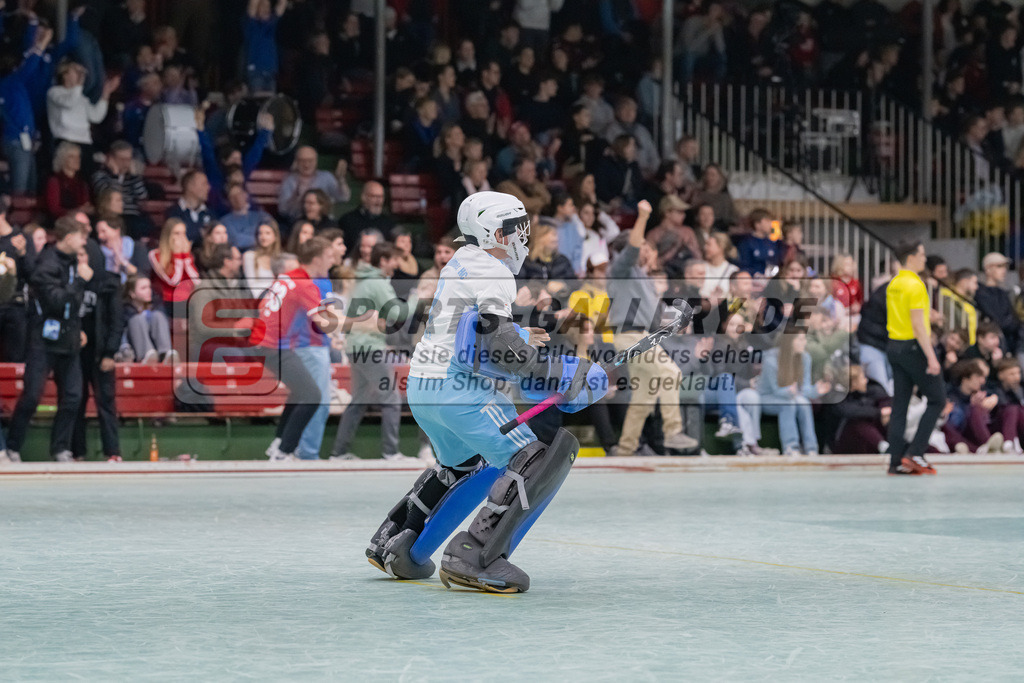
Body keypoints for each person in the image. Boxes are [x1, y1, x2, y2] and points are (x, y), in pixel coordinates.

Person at [365, 191, 613, 594]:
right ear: (495, 233)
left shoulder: (460, 261)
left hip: (424, 386)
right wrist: (559, 373)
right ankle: (475, 556)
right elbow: (497, 345)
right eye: (517, 229)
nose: (523, 237)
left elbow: (468, 329)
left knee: (460, 466)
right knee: (534, 460)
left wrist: (517, 333)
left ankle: (396, 541)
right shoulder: (498, 272)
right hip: (460, 392)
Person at [606, 200, 698, 455]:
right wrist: (644, 216)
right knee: (671, 374)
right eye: (645, 244)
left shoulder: (642, 277)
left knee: (644, 398)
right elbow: (633, 245)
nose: (648, 248)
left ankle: (625, 448)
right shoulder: (622, 268)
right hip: (631, 335)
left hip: (641, 335)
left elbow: (656, 319)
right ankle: (673, 432)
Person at [5, 216, 91, 463]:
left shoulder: (76, 261)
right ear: (67, 237)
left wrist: (79, 328)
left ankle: (60, 448)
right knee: (32, 395)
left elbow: (73, 305)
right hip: (43, 339)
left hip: (69, 338)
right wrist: (81, 281)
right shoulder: (46, 264)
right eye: (80, 236)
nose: (84, 241)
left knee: (73, 395)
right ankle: (12, 446)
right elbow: (57, 301)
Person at [330, 242, 415, 461]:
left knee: (358, 400)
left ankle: (338, 453)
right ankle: (391, 452)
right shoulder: (376, 282)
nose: (396, 265)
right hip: (369, 347)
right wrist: (418, 296)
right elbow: (399, 313)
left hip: (356, 347)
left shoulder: (364, 280)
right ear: (384, 260)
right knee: (391, 397)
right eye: (393, 259)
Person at [258, 237, 338, 461]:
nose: (331, 262)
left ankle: (279, 444)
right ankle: (284, 451)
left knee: (300, 392)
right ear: (317, 258)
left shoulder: (288, 278)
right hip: (273, 346)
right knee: (313, 396)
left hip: (267, 343)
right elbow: (323, 323)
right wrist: (362, 321)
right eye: (328, 256)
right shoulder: (305, 284)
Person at [885, 240, 946, 475]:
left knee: (899, 405)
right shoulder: (916, 285)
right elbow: (918, 326)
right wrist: (931, 357)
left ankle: (895, 461)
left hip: (894, 346)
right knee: (937, 399)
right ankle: (916, 452)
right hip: (913, 347)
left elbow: (904, 313)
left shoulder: (894, 283)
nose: (925, 258)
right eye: (921, 254)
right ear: (911, 257)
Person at [72, 216, 124, 462]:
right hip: (75, 352)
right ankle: (77, 452)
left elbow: (116, 322)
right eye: (78, 256)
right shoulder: (73, 282)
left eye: (84, 255)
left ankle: (112, 452)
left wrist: (109, 353)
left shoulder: (109, 285)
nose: (81, 260)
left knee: (105, 403)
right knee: (75, 403)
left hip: (100, 351)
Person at [758, 330, 829, 456]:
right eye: (801, 339)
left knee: (804, 403)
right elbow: (775, 389)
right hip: (767, 397)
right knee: (788, 404)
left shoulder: (805, 358)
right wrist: (790, 391)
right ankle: (791, 447)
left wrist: (815, 391)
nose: (805, 342)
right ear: (789, 342)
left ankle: (811, 448)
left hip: (791, 396)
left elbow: (804, 389)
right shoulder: (771, 360)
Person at [46, 60, 120, 177]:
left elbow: (96, 117)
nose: (80, 75)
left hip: (85, 142)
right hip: (66, 141)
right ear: (64, 74)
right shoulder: (54, 92)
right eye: (76, 71)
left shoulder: (82, 98)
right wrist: (79, 85)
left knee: (86, 177)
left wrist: (106, 94)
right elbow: (69, 102)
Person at [0, 199, 37, 363]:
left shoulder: (22, 239)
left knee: (16, 357)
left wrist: (22, 254)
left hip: (16, 305)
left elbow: (33, 275)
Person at [92, 141, 150, 239]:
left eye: (128, 159)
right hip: (112, 216)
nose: (126, 163)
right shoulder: (100, 175)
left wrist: (134, 176)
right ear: (112, 159)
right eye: (122, 159)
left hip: (132, 215)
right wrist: (115, 175)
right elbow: (107, 195)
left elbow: (142, 196)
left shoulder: (131, 177)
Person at [943, 359, 1002, 454]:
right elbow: (954, 421)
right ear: (965, 378)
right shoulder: (950, 395)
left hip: (974, 433)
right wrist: (970, 406)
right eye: (978, 377)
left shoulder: (983, 394)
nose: (982, 381)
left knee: (976, 409)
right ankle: (981, 449)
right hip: (957, 434)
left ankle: (988, 445)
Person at [277, 146, 351, 224]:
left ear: (316, 161)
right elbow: (283, 210)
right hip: (298, 222)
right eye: (303, 161)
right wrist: (296, 196)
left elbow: (344, 198)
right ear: (296, 162)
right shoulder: (290, 180)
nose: (307, 164)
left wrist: (341, 180)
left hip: (323, 222)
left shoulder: (326, 177)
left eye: (310, 160)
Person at [148, 217, 200, 315]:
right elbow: (173, 281)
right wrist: (177, 256)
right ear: (168, 235)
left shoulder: (186, 255)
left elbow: (196, 281)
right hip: (167, 301)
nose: (181, 237)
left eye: (183, 233)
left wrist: (186, 256)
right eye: (177, 233)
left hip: (188, 301)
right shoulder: (155, 254)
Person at [975, 252, 1021, 353]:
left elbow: (1015, 320)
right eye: (999, 266)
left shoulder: (1003, 293)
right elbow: (997, 319)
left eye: (1005, 267)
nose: (1004, 270)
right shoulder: (981, 292)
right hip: (993, 346)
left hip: (1010, 345)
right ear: (988, 269)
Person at [123, 274, 172, 363]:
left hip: (156, 348)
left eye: (149, 287)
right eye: (143, 288)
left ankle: (165, 354)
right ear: (132, 293)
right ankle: (147, 355)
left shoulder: (156, 306)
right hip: (134, 350)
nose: (148, 291)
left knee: (158, 315)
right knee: (137, 319)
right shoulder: (125, 310)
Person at [338, 181, 395, 255]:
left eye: (381, 197)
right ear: (364, 197)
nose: (378, 201)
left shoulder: (388, 223)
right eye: (374, 196)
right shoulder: (347, 221)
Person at [244, 0, 287, 92]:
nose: (266, 9)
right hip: (257, 72)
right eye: (263, 6)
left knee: (270, 104)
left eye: (268, 6)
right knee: (258, 103)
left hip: (271, 72)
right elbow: (252, 5)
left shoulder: (271, 24)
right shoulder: (252, 24)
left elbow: (281, 5)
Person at [45, 142, 92, 219]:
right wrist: (76, 211)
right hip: (61, 221)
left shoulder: (81, 182)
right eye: (72, 157)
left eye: (78, 156)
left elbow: (85, 204)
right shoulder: (54, 181)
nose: (77, 160)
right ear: (63, 159)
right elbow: (54, 210)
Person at [221, 185, 273, 252]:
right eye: (233, 196)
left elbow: (273, 231)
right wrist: (261, 239)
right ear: (229, 200)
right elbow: (237, 241)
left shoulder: (260, 216)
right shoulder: (225, 221)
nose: (237, 198)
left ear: (246, 195)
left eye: (239, 194)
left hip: (263, 252)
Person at [96, 217, 148, 283]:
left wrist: (120, 257)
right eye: (98, 232)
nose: (99, 236)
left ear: (117, 230)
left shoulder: (135, 246)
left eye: (103, 231)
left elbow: (139, 274)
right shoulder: (99, 251)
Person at [166, 170, 212, 243]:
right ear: (190, 186)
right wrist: (200, 234)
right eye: (204, 184)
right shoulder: (173, 213)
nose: (208, 187)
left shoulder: (210, 213)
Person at [243, 220, 282, 297]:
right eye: (260, 233)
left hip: (278, 299)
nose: (263, 237)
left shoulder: (281, 258)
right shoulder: (249, 256)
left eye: (267, 233)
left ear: (275, 237)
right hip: (259, 300)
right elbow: (252, 286)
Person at [737, 208, 780, 276]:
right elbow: (744, 265)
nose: (770, 224)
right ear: (757, 224)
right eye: (767, 221)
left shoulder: (772, 243)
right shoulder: (746, 243)